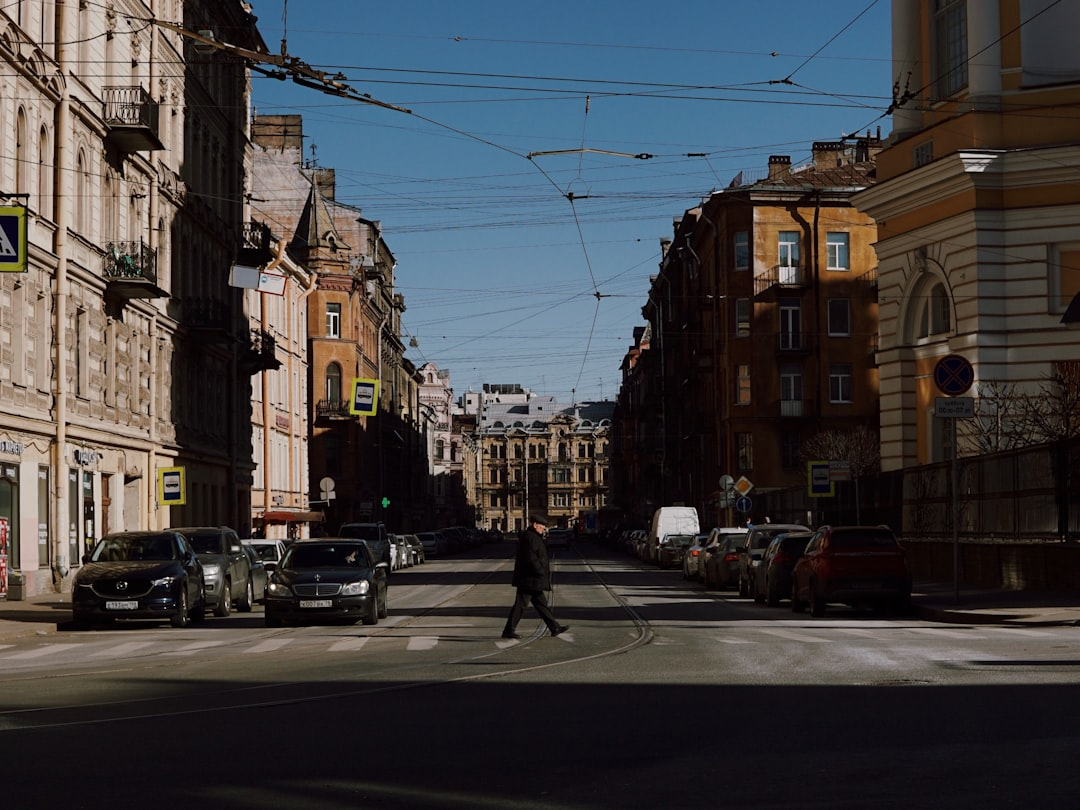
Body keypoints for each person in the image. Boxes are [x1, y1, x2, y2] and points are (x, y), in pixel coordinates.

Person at [502, 513, 569, 640]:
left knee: (541, 604)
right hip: (529, 578)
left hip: (531, 578)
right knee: (521, 605)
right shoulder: (529, 537)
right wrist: (540, 571)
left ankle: (554, 627)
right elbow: (531, 558)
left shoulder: (533, 536)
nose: (544, 528)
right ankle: (509, 630)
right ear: (534, 525)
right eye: (542, 526)